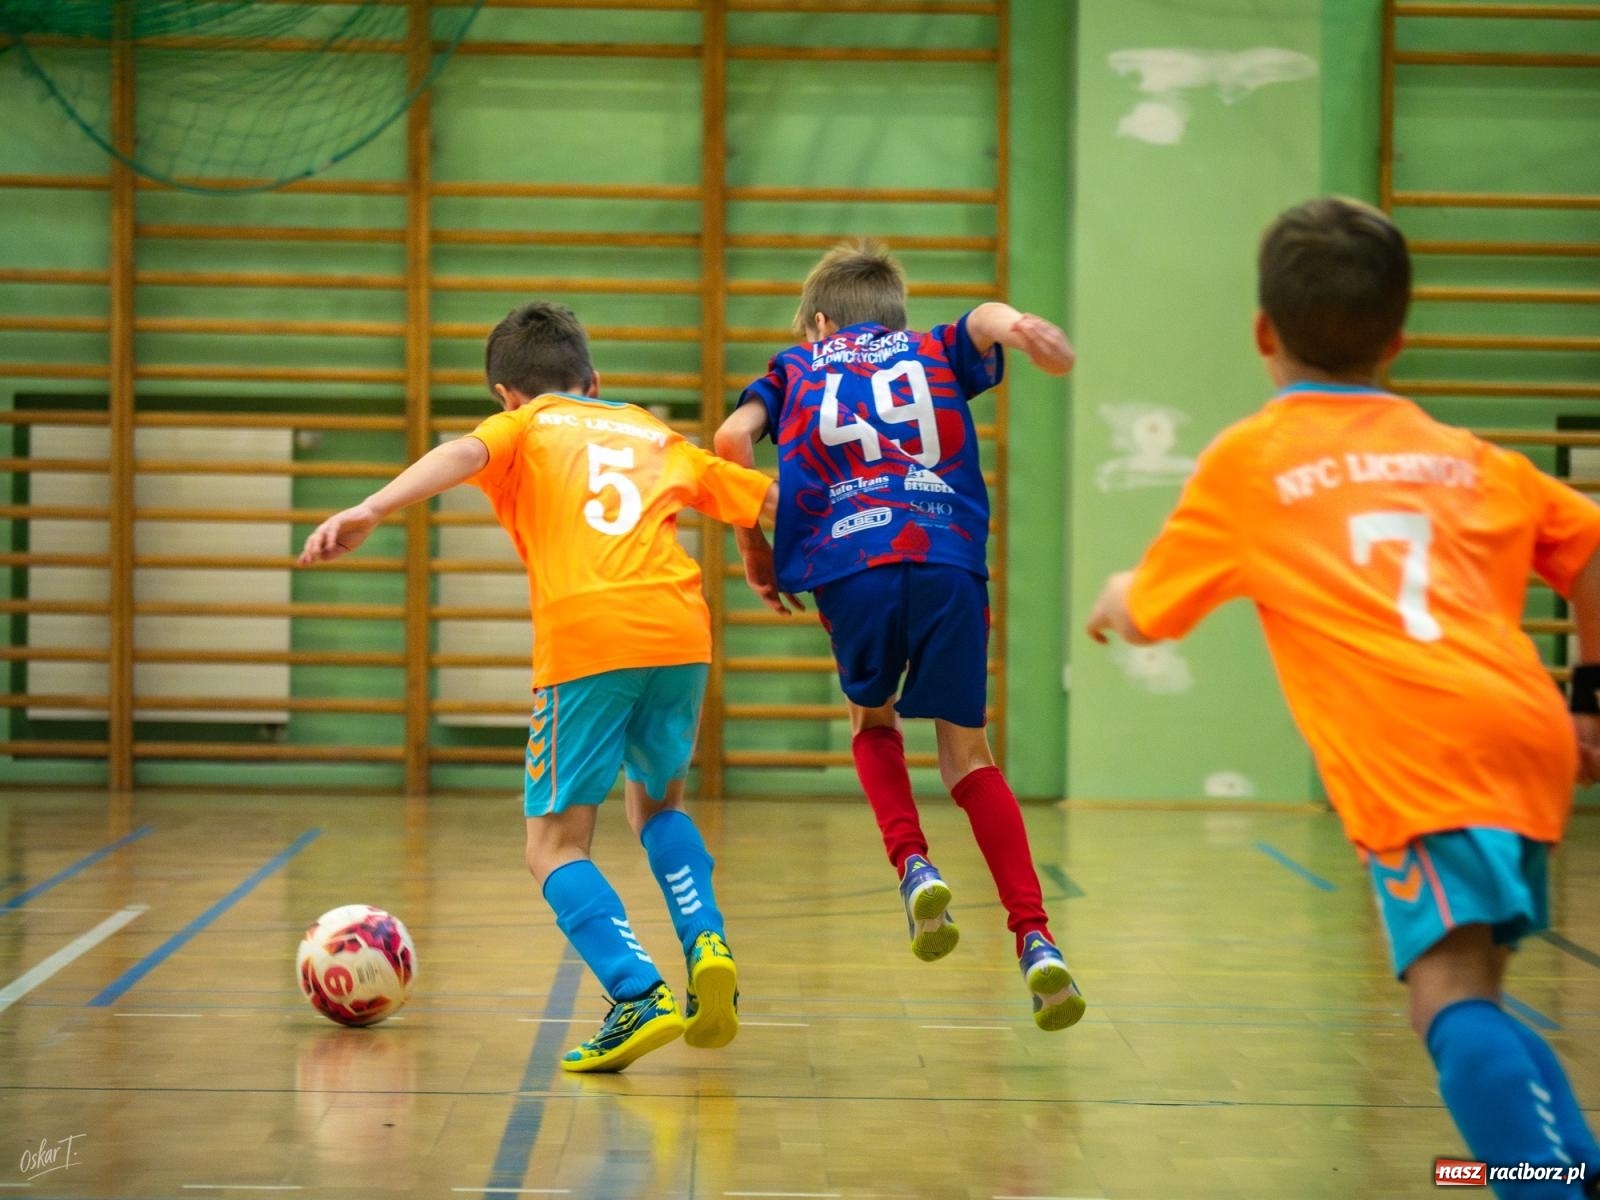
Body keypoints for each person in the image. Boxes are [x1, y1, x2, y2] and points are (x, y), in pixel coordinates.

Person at [1087, 197, 1600, 1197]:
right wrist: (1589, 704)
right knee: (1476, 989)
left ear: (1262, 333)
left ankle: (1539, 1184)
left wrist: (1115, 597)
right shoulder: (1467, 456)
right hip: (1525, 733)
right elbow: (1590, 548)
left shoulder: (1251, 462)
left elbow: (1148, 613)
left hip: (1422, 754)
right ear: (1398, 340)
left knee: (1444, 997)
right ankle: (1569, 1167)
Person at [299, 301, 777, 1074]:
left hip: (589, 636)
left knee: (553, 844)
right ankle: (707, 942)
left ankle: (638, 993)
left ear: (505, 393)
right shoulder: (651, 431)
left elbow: (461, 453)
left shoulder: (523, 426)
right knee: (660, 808)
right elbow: (762, 496)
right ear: (595, 380)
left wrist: (373, 506)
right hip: (681, 633)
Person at [714, 239, 1086, 1031]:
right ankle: (1037, 940)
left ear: (819, 323)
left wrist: (756, 552)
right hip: (947, 557)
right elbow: (983, 319)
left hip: (853, 563)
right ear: (894, 316)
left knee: (871, 720)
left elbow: (729, 442)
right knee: (969, 757)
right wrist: (1020, 327)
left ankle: (914, 865)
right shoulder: (932, 348)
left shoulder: (795, 367)